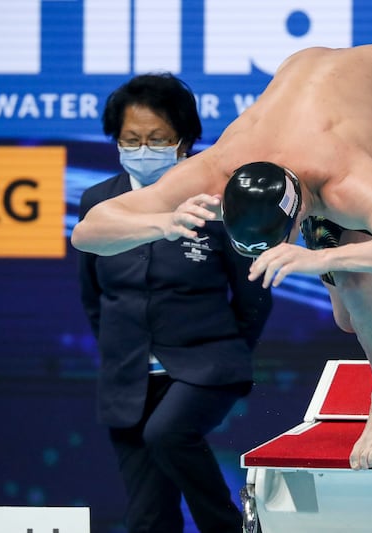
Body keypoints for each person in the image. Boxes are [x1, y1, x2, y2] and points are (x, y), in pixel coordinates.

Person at [72, 45, 372, 471]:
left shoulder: (344, 181)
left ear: (300, 216)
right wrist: (162, 223)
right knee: (349, 318)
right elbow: (89, 232)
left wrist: (324, 259)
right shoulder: (213, 171)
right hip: (310, 92)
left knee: (356, 280)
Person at [77, 73, 272, 533]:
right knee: (148, 517)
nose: (144, 149)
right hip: (127, 376)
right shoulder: (98, 202)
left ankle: (229, 526)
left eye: (157, 139)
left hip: (206, 364)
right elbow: (94, 298)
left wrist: (228, 352)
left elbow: (253, 296)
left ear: (183, 141)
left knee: (168, 434)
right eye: (132, 140)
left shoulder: (220, 199)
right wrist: (119, 346)